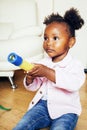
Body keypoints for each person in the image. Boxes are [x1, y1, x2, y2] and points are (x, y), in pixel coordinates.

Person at [13, 8, 86, 130]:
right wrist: (30, 78)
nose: (48, 43)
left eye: (55, 38)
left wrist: (47, 72)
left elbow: (73, 84)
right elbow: (35, 86)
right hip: (43, 107)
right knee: (22, 126)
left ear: (71, 42)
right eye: (46, 38)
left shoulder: (76, 65)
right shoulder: (43, 62)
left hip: (66, 110)